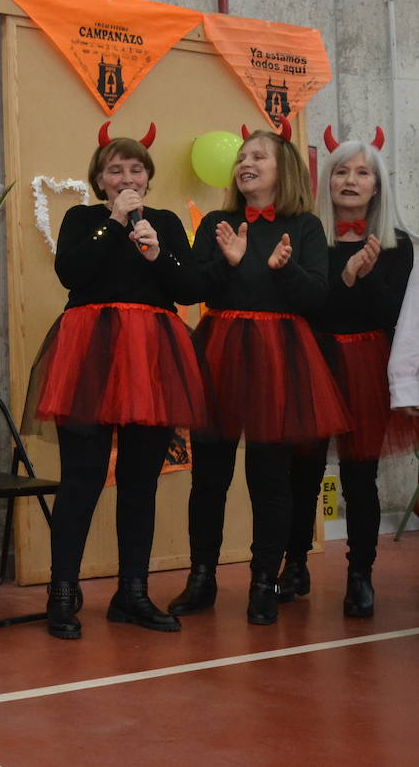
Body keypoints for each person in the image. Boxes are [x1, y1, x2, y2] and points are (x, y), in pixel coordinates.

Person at [23, 124, 206, 640]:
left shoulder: (166, 222)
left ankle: (133, 593)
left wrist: (157, 254)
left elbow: (189, 287)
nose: (127, 177)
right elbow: (71, 273)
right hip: (91, 355)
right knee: (81, 477)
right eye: (115, 170)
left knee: (140, 481)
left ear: (148, 177)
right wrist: (114, 223)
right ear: (100, 180)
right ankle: (62, 592)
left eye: (136, 169)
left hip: (152, 358)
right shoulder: (83, 218)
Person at [170, 120, 348, 626]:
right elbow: (189, 289)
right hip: (221, 351)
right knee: (209, 477)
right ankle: (201, 577)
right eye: (242, 157)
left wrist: (281, 268)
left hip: (280, 357)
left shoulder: (306, 227)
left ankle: (264, 581)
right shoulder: (216, 223)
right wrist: (228, 263)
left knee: (270, 478)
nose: (246, 163)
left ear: (283, 169)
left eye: (259, 157)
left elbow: (315, 296)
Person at [286, 128, 410, 618]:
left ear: (377, 186)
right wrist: (346, 275)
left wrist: (369, 274)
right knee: (303, 472)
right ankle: (294, 565)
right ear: (327, 181)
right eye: (341, 171)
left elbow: (393, 315)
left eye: (362, 173)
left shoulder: (400, 246)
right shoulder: (308, 238)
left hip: (366, 364)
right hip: (314, 360)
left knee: (361, 476)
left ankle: (360, 575)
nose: (351, 181)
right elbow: (308, 306)